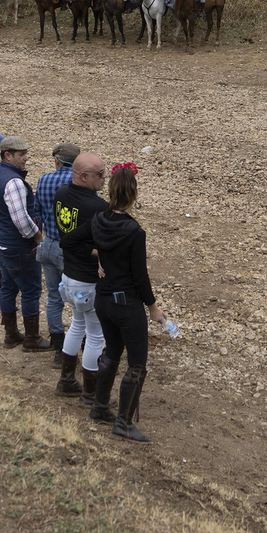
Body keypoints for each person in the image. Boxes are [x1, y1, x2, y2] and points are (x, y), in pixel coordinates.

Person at [90, 163, 166, 443]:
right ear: (133, 193)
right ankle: (123, 423)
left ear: (110, 190)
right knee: (137, 364)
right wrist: (153, 306)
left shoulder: (99, 219)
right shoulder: (134, 231)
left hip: (103, 298)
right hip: (125, 303)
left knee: (111, 352)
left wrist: (99, 259)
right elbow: (140, 276)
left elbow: (75, 241)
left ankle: (99, 407)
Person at [55, 151, 109, 400]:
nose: (104, 179)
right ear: (84, 176)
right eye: (100, 174)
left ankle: (66, 380)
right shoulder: (97, 207)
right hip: (88, 280)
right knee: (96, 335)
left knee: (76, 325)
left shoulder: (62, 194)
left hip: (68, 276)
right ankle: (91, 393)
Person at [0, 135, 49, 352]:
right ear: (8, 155)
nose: (26, 158)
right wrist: (38, 238)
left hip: (1, 244)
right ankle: (31, 338)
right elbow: (21, 220)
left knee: (9, 287)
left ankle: (11, 334)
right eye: (22, 155)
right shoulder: (13, 182)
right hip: (17, 247)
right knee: (31, 290)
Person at [35, 142, 79, 366]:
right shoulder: (77, 183)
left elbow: (37, 212)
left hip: (48, 243)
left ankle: (59, 346)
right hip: (69, 249)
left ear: (57, 160)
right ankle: (79, 340)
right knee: (79, 298)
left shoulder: (43, 180)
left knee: (53, 297)